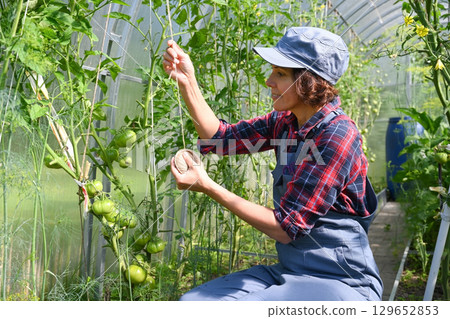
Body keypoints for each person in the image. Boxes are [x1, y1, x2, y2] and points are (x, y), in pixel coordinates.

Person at [163, 27, 383, 301]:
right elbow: (220, 139)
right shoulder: (285, 123)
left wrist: (207, 186)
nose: (269, 81)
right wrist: (187, 81)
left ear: (308, 81)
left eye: (280, 74)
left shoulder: (337, 136)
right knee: (193, 303)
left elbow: (285, 228)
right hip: (291, 270)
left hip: (342, 280)